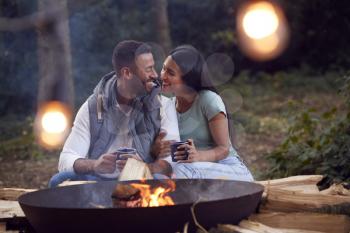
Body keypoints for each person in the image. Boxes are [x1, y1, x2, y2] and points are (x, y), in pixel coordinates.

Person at [49, 40, 180, 187]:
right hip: (100, 183)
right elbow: (66, 158)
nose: (155, 75)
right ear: (127, 73)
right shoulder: (92, 108)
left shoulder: (164, 106)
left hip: (142, 181)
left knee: (162, 181)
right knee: (59, 180)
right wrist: (95, 165)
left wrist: (142, 167)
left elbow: (171, 162)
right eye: (149, 69)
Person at [155, 45, 254, 181]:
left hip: (229, 169)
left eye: (170, 73)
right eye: (163, 69)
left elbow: (224, 149)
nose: (163, 76)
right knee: (157, 176)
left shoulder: (208, 100)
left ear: (188, 79)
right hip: (193, 170)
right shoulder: (169, 105)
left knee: (178, 171)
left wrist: (198, 156)